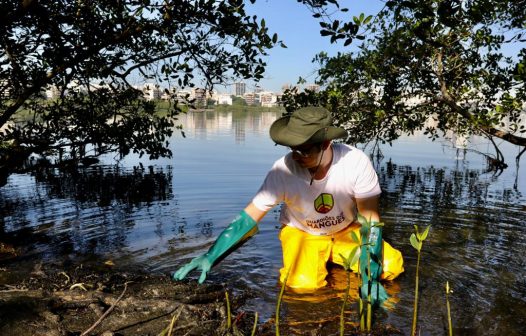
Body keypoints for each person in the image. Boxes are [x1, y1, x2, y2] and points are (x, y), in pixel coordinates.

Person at [174, 106, 404, 304]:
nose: (296, 156)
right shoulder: (282, 170)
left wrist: (370, 278)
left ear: (326, 143)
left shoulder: (354, 162)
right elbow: (249, 217)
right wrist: (211, 256)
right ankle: (328, 270)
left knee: (389, 266)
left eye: (303, 150)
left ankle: (336, 266)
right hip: (303, 232)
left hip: (345, 230)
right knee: (303, 288)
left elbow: (370, 220)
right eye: (291, 148)